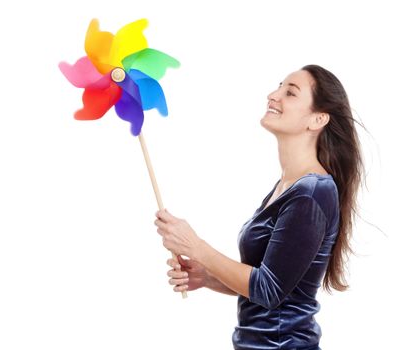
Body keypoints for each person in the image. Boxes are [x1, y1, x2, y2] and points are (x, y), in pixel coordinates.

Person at [154, 64, 365, 349]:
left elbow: (269, 290)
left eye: (290, 93)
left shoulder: (311, 193)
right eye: (279, 86)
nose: (273, 95)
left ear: (318, 119)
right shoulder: (288, 187)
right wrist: (208, 277)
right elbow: (273, 282)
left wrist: (196, 246)